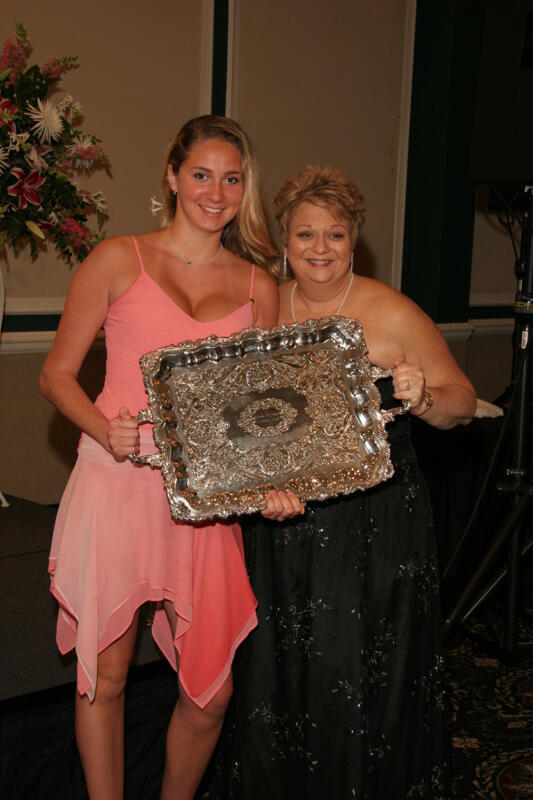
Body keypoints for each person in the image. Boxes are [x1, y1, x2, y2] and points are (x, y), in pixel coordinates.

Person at [40, 115, 303, 800]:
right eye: (201, 175)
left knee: (211, 692)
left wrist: (273, 484)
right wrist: (104, 429)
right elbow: (56, 376)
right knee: (109, 676)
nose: (215, 192)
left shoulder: (257, 287)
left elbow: (260, 412)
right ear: (172, 176)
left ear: (243, 189)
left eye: (231, 178)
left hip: (206, 503)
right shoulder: (117, 258)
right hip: (117, 485)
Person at [204, 165, 477, 799]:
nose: (319, 249)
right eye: (305, 234)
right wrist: (253, 491)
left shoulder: (392, 310)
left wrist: (422, 395)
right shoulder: (263, 309)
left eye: (334, 234)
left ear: (354, 239)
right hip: (283, 525)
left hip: (376, 527)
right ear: (283, 239)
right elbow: (243, 428)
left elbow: (462, 402)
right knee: (281, 671)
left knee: (356, 669)